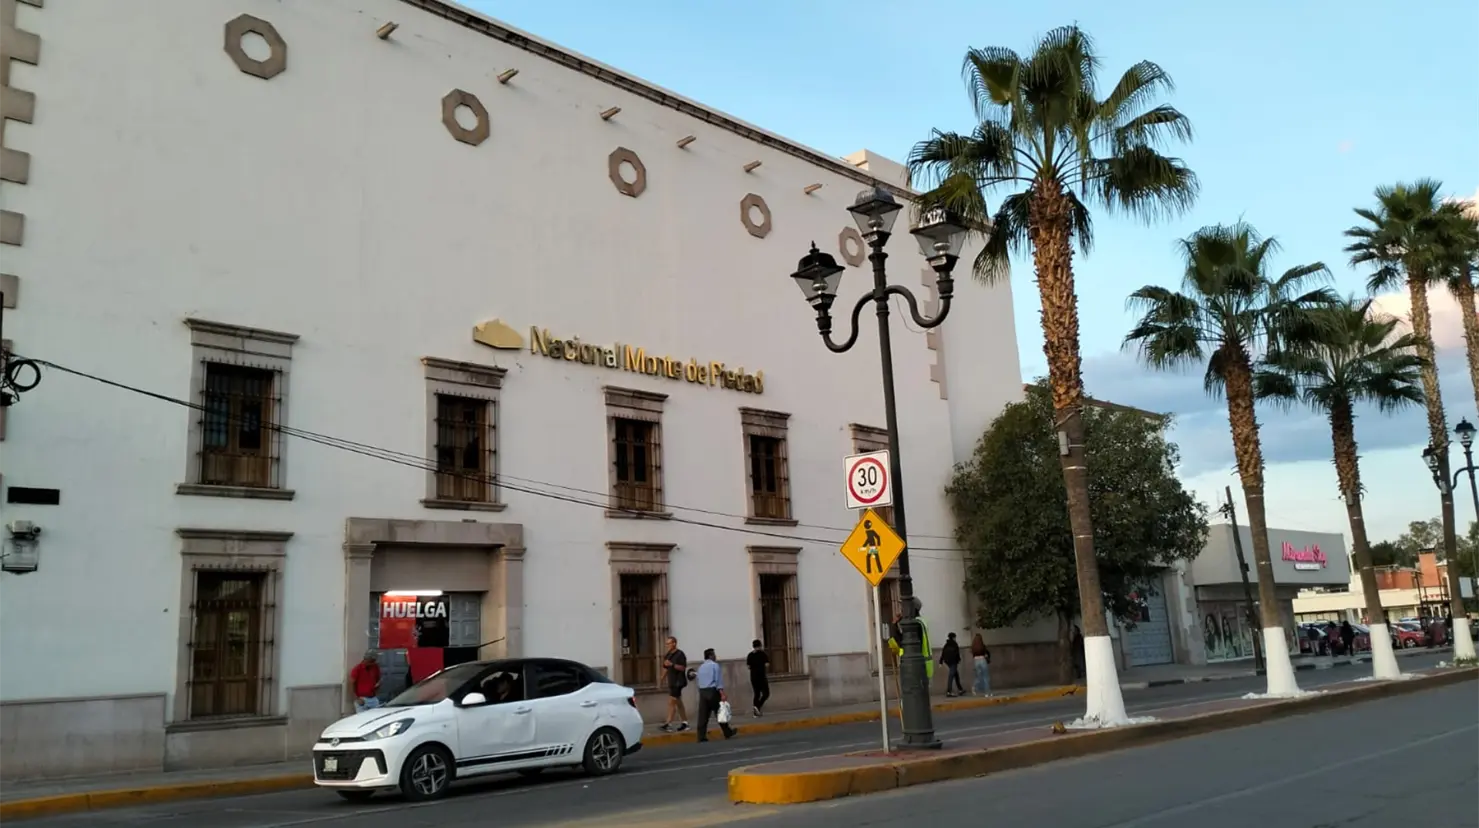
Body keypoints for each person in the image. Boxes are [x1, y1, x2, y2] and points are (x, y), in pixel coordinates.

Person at [694, 648, 737, 742]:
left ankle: (701, 736)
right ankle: (727, 731)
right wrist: (722, 693)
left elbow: (698, 681)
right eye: (714, 654)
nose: (715, 656)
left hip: (703, 691)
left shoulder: (700, 667)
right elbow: (718, 681)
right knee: (720, 712)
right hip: (713, 691)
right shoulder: (714, 666)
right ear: (710, 656)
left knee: (703, 715)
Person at [659, 637, 690, 732]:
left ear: (674, 643)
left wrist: (672, 665)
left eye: (669, 643)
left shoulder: (680, 654)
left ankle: (668, 723)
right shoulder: (668, 655)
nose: (667, 645)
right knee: (678, 702)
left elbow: (683, 668)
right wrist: (661, 679)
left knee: (672, 701)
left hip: (678, 682)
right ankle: (685, 723)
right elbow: (665, 667)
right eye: (666, 644)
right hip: (672, 681)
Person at [746, 639, 770, 717]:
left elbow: (748, 666)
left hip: (753, 677)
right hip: (761, 677)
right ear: (760, 645)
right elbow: (767, 665)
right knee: (766, 694)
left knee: (756, 694)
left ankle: (756, 713)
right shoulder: (763, 654)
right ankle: (758, 706)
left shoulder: (750, 655)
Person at [940, 632, 964, 697]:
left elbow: (943, 653)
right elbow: (957, 653)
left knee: (956, 675)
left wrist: (941, 662)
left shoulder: (946, 644)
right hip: (953, 661)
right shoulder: (954, 644)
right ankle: (949, 691)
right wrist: (958, 660)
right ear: (953, 637)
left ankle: (960, 689)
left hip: (947, 661)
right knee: (951, 675)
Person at [970, 632, 992, 696]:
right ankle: (987, 692)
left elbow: (973, 654)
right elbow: (986, 652)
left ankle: (974, 686)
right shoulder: (982, 645)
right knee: (985, 677)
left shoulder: (973, 647)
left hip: (976, 661)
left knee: (979, 676)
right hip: (982, 660)